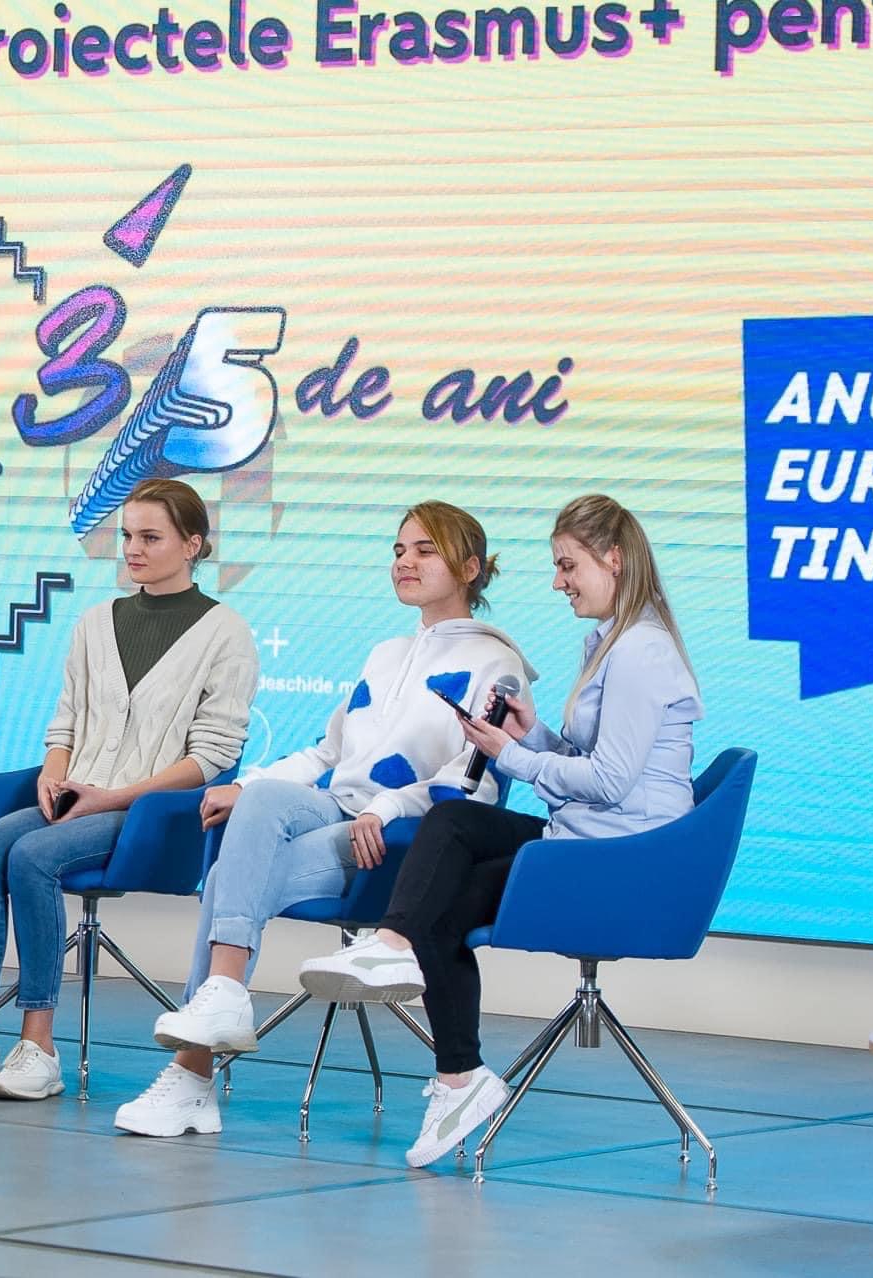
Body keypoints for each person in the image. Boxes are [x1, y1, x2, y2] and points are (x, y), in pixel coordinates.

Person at [299, 493, 702, 1168]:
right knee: (443, 897)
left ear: (615, 559)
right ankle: (459, 1078)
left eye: (568, 565)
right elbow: (588, 762)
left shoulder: (641, 653)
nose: (557, 581)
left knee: (454, 823)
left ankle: (390, 946)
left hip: (624, 861)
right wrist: (528, 732)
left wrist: (512, 755)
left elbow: (609, 783)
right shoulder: (609, 646)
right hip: (588, 843)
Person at [114, 501, 537, 1137]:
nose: (405, 562)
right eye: (399, 550)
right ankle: (222, 1002)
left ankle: (194, 1074)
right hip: (334, 807)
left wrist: (386, 805)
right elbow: (326, 754)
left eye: (425, 550)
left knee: (237, 875)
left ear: (470, 567)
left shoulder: (498, 667)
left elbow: (472, 785)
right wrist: (248, 784)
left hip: (395, 838)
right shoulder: (385, 653)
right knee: (251, 811)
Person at [0, 479, 258, 1102]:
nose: (133, 550)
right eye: (127, 536)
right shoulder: (95, 622)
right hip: (73, 796)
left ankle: (38, 1047)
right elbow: (65, 720)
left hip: (149, 813)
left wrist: (114, 798)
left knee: (33, 856)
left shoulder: (226, 632)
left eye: (150, 537)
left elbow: (212, 757)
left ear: (193, 544)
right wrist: (52, 770)